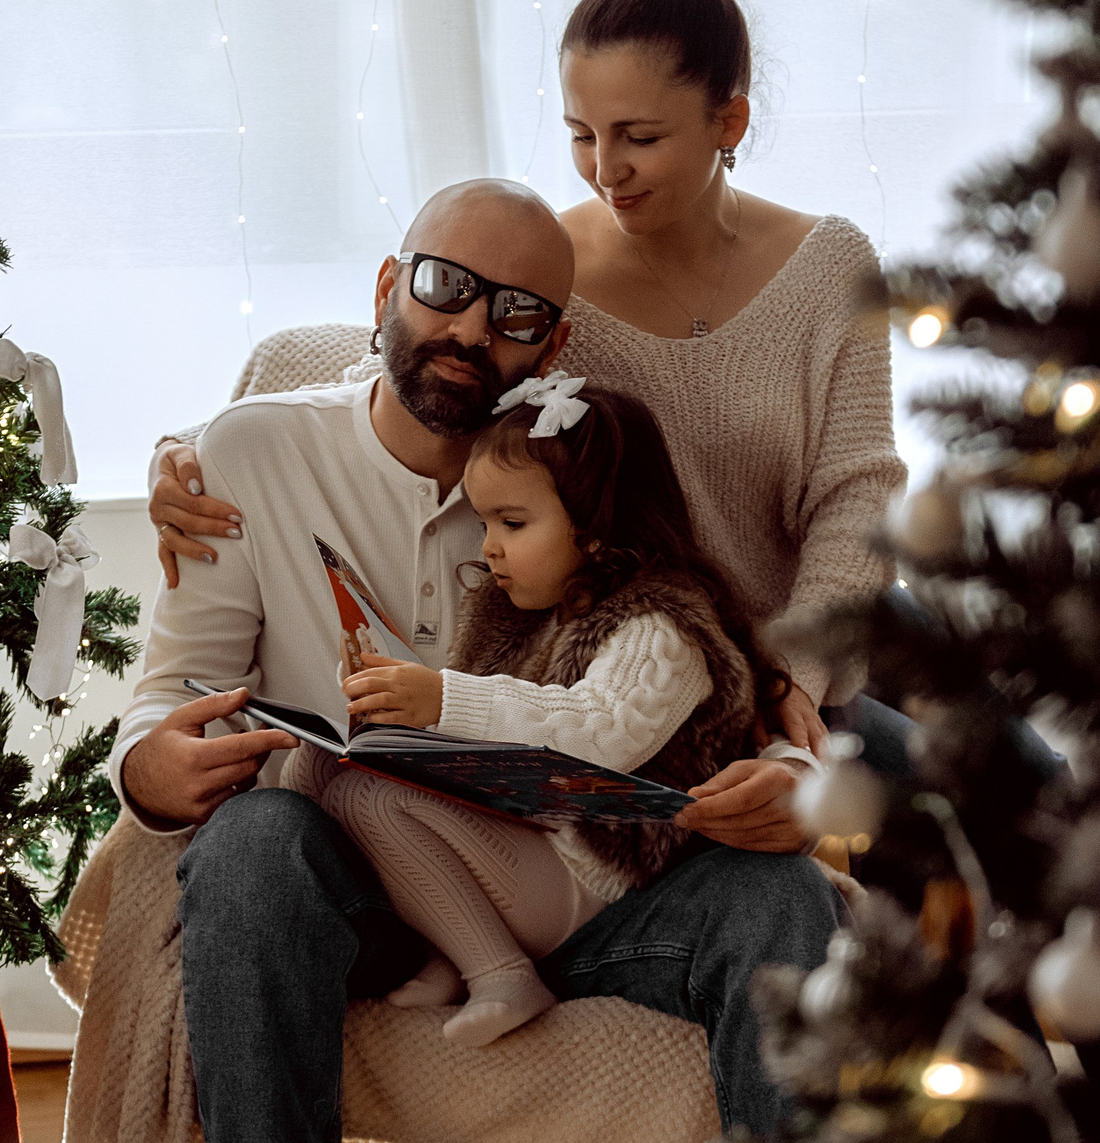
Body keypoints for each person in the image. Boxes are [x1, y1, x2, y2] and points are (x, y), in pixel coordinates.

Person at [113, 178, 877, 1143]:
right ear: (385, 287)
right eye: (444, 287)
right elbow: (168, 690)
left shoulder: (569, 474)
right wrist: (149, 767)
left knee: (787, 901)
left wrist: (790, 776)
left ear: (551, 344)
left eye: (515, 313)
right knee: (254, 842)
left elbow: (717, 657)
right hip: (372, 880)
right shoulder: (249, 450)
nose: (470, 330)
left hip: (599, 878)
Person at [152, 0, 908, 779]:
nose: (604, 169)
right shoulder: (549, 276)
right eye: (582, 134)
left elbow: (860, 498)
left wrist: (790, 679)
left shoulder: (834, 267)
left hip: (791, 665)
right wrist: (186, 451)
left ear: (729, 121)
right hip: (627, 678)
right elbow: (408, 366)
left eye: (640, 137)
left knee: (1027, 792)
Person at [309, 374, 782, 1049]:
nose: (488, 547)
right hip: (524, 840)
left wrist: (441, 697)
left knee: (372, 804)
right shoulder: (519, 612)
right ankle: (434, 936)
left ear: (596, 528)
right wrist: (379, 696)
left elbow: (593, 732)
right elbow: (476, 725)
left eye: (512, 523)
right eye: (484, 523)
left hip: (586, 877)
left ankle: (501, 974)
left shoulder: (660, 628)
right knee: (325, 761)